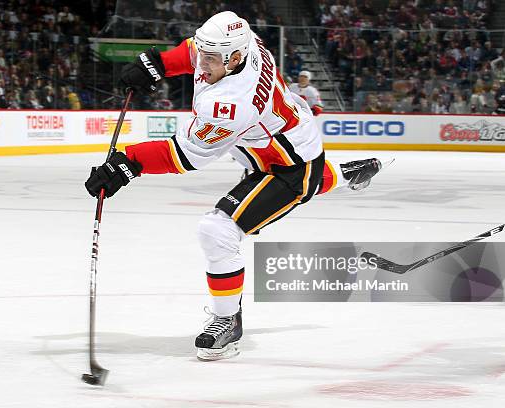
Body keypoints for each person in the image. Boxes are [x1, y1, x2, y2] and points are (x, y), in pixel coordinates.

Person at [84, 11, 384, 361]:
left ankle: (227, 320)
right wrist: (159, 64)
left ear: (236, 58)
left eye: (211, 60)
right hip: (267, 146)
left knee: (218, 230)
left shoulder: (229, 104)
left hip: (289, 167)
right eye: (205, 55)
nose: (202, 64)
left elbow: (187, 155)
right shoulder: (242, 43)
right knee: (292, 188)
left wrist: (129, 163)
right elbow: (195, 50)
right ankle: (346, 174)